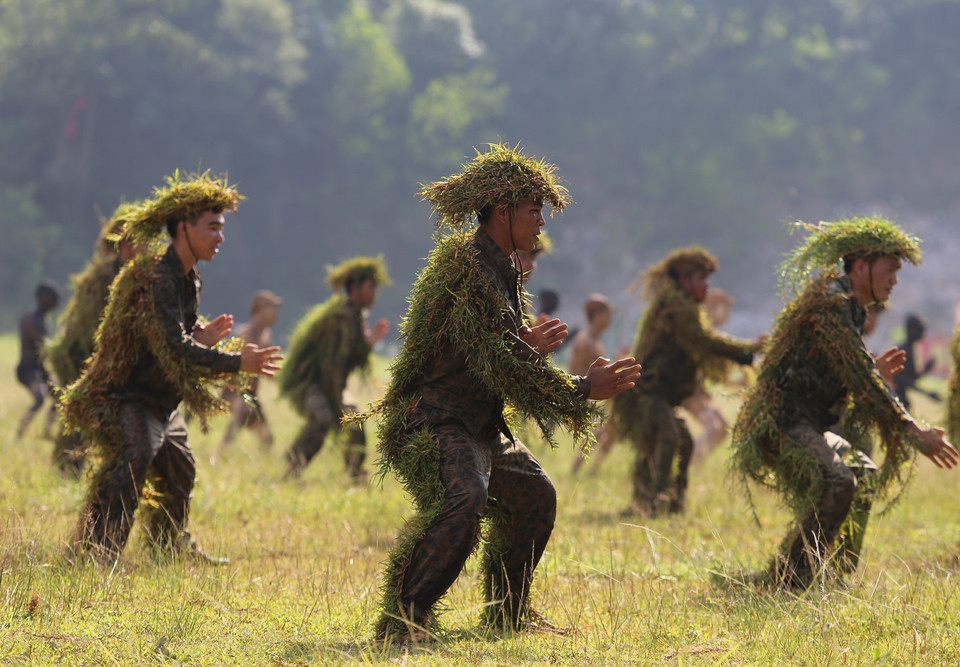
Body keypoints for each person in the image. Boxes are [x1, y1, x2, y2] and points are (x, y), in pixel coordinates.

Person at [352, 143, 641, 641]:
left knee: (536, 495)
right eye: (534, 211)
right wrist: (582, 387)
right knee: (466, 497)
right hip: (437, 420)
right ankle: (403, 621)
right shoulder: (466, 271)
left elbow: (493, 358)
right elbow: (502, 369)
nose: (541, 223)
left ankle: (507, 614)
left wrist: (525, 348)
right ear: (502, 212)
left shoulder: (503, 270)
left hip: (480, 425)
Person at [60, 170, 282, 565]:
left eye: (222, 228)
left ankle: (169, 549)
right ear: (183, 228)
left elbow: (177, 333)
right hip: (133, 397)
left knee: (180, 472)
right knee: (134, 459)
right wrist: (237, 361)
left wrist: (205, 335)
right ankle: (96, 554)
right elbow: (175, 349)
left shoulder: (188, 279)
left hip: (164, 400)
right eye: (212, 227)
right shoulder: (157, 277)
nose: (220, 237)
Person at [731, 217, 958, 590]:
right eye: (890, 270)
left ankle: (834, 573)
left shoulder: (852, 309)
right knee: (839, 480)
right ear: (860, 266)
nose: (895, 280)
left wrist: (869, 367)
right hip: (784, 421)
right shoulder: (833, 302)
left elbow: (844, 370)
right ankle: (792, 582)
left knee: (862, 473)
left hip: (809, 423)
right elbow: (859, 376)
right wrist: (913, 430)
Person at [612, 247, 762, 517]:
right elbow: (705, 340)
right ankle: (655, 504)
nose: (707, 287)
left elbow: (701, 341)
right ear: (684, 280)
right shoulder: (676, 306)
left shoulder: (684, 307)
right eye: (701, 279)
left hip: (660, 394)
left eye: (707, 280)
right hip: (647, 391)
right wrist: (749, 350)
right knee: (668, 437)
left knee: (685, 442)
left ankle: (671, 504)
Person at [45, 201, 145, 475]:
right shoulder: (98, 282)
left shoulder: (145, 278)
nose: (134, 247)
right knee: (80, 420)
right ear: (117, 246)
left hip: (117, 362)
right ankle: (68, 468)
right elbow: (87, 331)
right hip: (83, 358)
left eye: (138, 240)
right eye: (127, 241)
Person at [279, 257, 390, 481]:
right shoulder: (339, 318)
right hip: (311, 382)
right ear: (354, 288)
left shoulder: (355, 318)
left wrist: (367, 345)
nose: (374, 293)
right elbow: (332, 365)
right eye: (370, 287)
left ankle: (356, 475)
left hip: (330, 384)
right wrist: (336, 398)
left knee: (354, 420)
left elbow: (351, 358)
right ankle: (293, 468)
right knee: (322, 416)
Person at [216, 290, 283, 457]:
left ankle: (264, 464)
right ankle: (219, 455)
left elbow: (268, 367)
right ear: (260, 310)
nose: (276, 313)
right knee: (241, 414)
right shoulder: (247, 333)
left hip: (251, 395)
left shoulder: (266, 334)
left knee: (267, 437)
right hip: (236, 392)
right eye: (272, 308)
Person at [569, 294, 618, 474]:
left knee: (613, 428)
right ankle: (576, 471)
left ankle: (592, 471)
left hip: (589, 398)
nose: (610, 319)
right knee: (599, 430)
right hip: (581, 398)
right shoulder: (587, 342)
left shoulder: (595, 342)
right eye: (607, 314)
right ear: (597, 316)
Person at [16, 280, 61, 440]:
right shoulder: (30, 320)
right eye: (52, 298)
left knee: (59, 396)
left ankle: (47, 431)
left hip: (40, 369)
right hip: (28, 369)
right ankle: (20, 433)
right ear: (43, 298)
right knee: (40, 399)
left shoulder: (44, 320)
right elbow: (42, 344)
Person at [892, 314, 940, 410]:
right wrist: (927, 393)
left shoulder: (910, 350)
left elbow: (911, 378)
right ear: (911, 330)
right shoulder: (902, 351)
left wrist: (926, 369)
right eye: (920, 330)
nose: (922, 334)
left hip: (902, 398)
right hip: (896, 398)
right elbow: (903, 381)